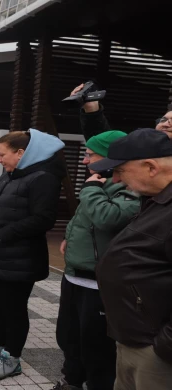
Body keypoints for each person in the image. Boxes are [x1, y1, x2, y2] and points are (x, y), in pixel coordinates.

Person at [0, 129, 65, 381]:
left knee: (15, 309)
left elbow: (44, 219)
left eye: (2, 154)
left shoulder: (43, 178)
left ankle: (12, 358)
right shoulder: (10, 175)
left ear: (21, 153)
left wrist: (3, 234)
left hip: (21, 258)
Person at [51, 131, 139, 390]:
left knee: (97, 346)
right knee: (68, 336)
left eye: (90, 154)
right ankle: (72, 380)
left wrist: (91, 189)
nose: (84, 160)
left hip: (99, 282)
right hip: (74, 273)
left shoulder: (127, 185)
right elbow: (80, 218)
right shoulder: (99, 180)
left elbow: (107, 218)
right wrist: (68, 237)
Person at [88, 128, 172, 390]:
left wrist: (164, 346)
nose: (115, 180)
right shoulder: (155, 199)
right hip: (134, 337)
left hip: (155, 349)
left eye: (120, 171)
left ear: (150, 166)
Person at [72, 83, 172, 139]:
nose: (166, 124)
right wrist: (91, 109)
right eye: (164, 120)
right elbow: (103, 144)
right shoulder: (143, 146)